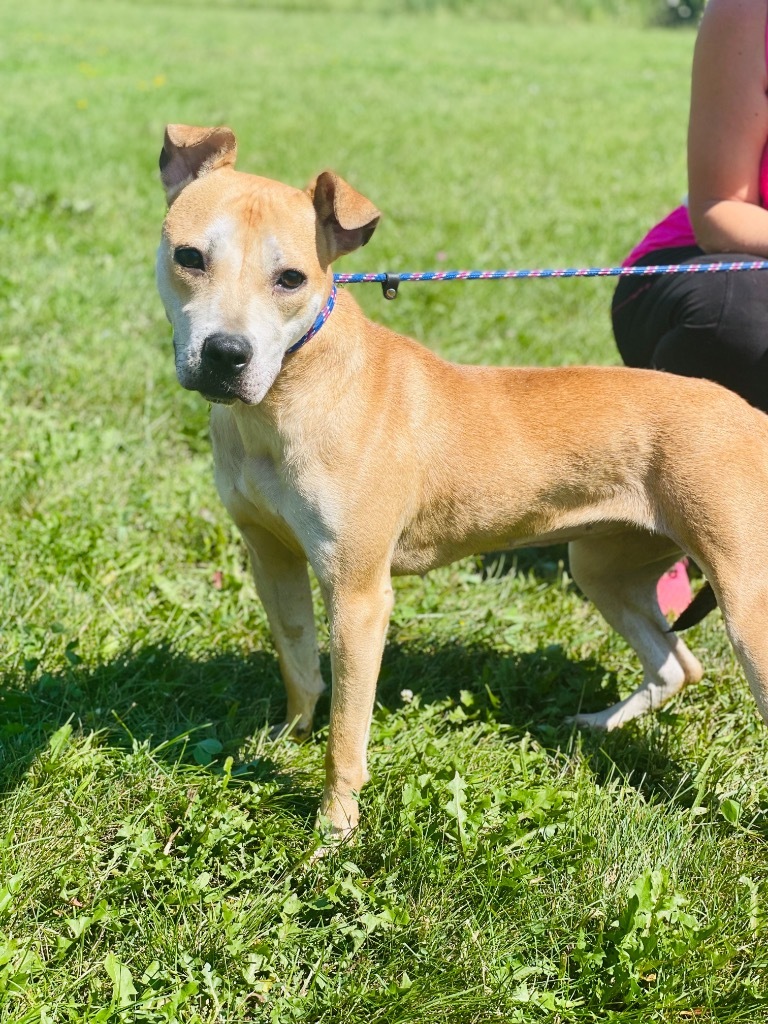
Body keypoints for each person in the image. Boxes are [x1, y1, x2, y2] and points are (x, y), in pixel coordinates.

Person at [611, 0, 768, 616]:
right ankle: (670, 520)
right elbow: (718, 211)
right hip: (707, 269)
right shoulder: (747, 14)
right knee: (747, 318)